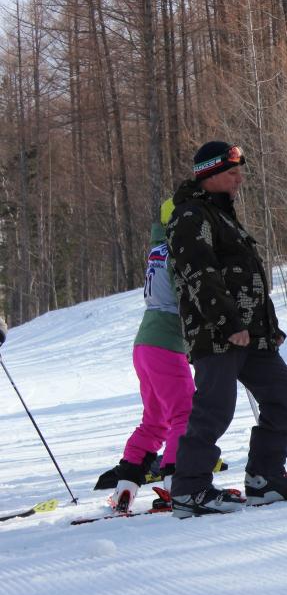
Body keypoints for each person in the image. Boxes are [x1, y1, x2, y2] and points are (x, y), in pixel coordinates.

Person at [166, 141, 287, 517]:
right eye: (232, 173)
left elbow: (247, 276)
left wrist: (270, 327)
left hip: (252, 333)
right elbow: (199, 273)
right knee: (215, 408)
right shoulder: (190, 216)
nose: (239, 179)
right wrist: (228, 323)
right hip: (218, 332)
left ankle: (264, 477)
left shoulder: (222, 215)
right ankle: (189, 489)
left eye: (239, 172)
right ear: (210, 175)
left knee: (284, 395)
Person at [94, 198, 196, 511]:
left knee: (154, 421)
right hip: (166, 341)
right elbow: (191, 295)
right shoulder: (178, 251)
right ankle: (177, 481)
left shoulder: (158, 247)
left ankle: (126, 486)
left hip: (145, 343)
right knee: (184, 412)